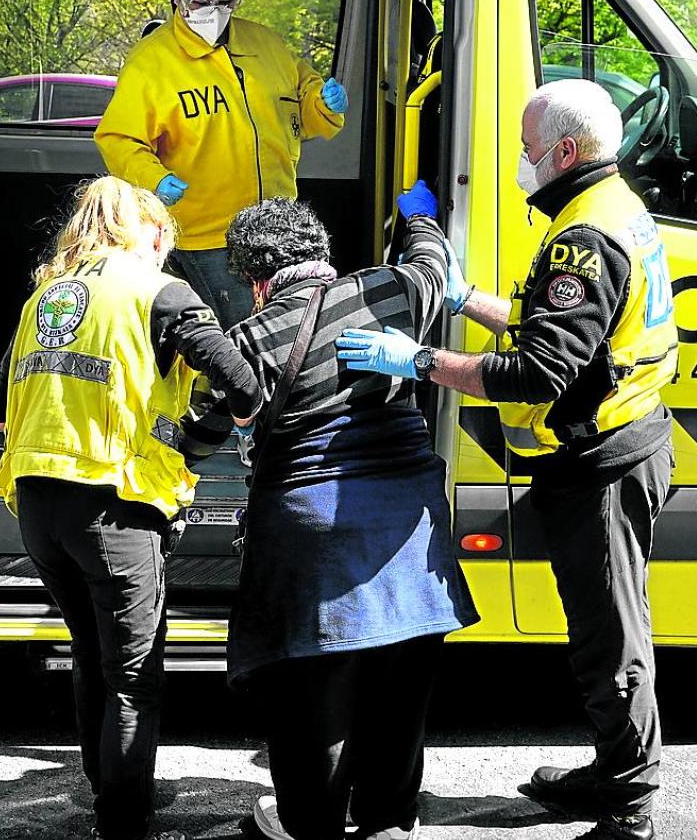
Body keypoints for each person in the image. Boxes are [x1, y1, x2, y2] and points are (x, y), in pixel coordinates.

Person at [336, 79, 678, 840]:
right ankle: (613, 774)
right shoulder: (612, 206)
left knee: (611, 640)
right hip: (619, 445)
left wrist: (419, 361)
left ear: (565, 151)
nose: (522, 161)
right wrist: (466, 299)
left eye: (528, 149)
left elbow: (536, 371)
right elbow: (551, 326)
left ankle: (629, 807)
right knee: (606, 629)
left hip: (601, 464)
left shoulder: (584, 239)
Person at [180, 192, 479, 840]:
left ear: (256, 279)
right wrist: (418, 217)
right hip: (408, 539)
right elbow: (433, 263)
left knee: (313, 708)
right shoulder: (393, 290)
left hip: (310, 545)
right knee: (399, 700)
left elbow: (197, 437)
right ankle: (388, 823)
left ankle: (312, 826)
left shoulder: (249, 339)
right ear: (320, 251)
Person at [0, 175, 262, 840]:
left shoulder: (45, 297)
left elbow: (1, 410)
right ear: (151, 231)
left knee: (90, 654)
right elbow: (241, 383)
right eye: (165, 235)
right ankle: (123, 819)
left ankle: (106, 790)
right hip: (116, 504)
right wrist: (204, 439)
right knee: (134, 676)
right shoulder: (159, 291)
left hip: (37, 503)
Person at [95, 0, 348, 329]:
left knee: (292, 330)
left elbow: (304, 108)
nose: (214, 12)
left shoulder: (268, 46)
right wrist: (154, 179)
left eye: (226, 2)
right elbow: (119, 138)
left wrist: (325, 105)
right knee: (242, 335)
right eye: (200, 2)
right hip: (209, 236)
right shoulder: (152, 62)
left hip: (278, 226)